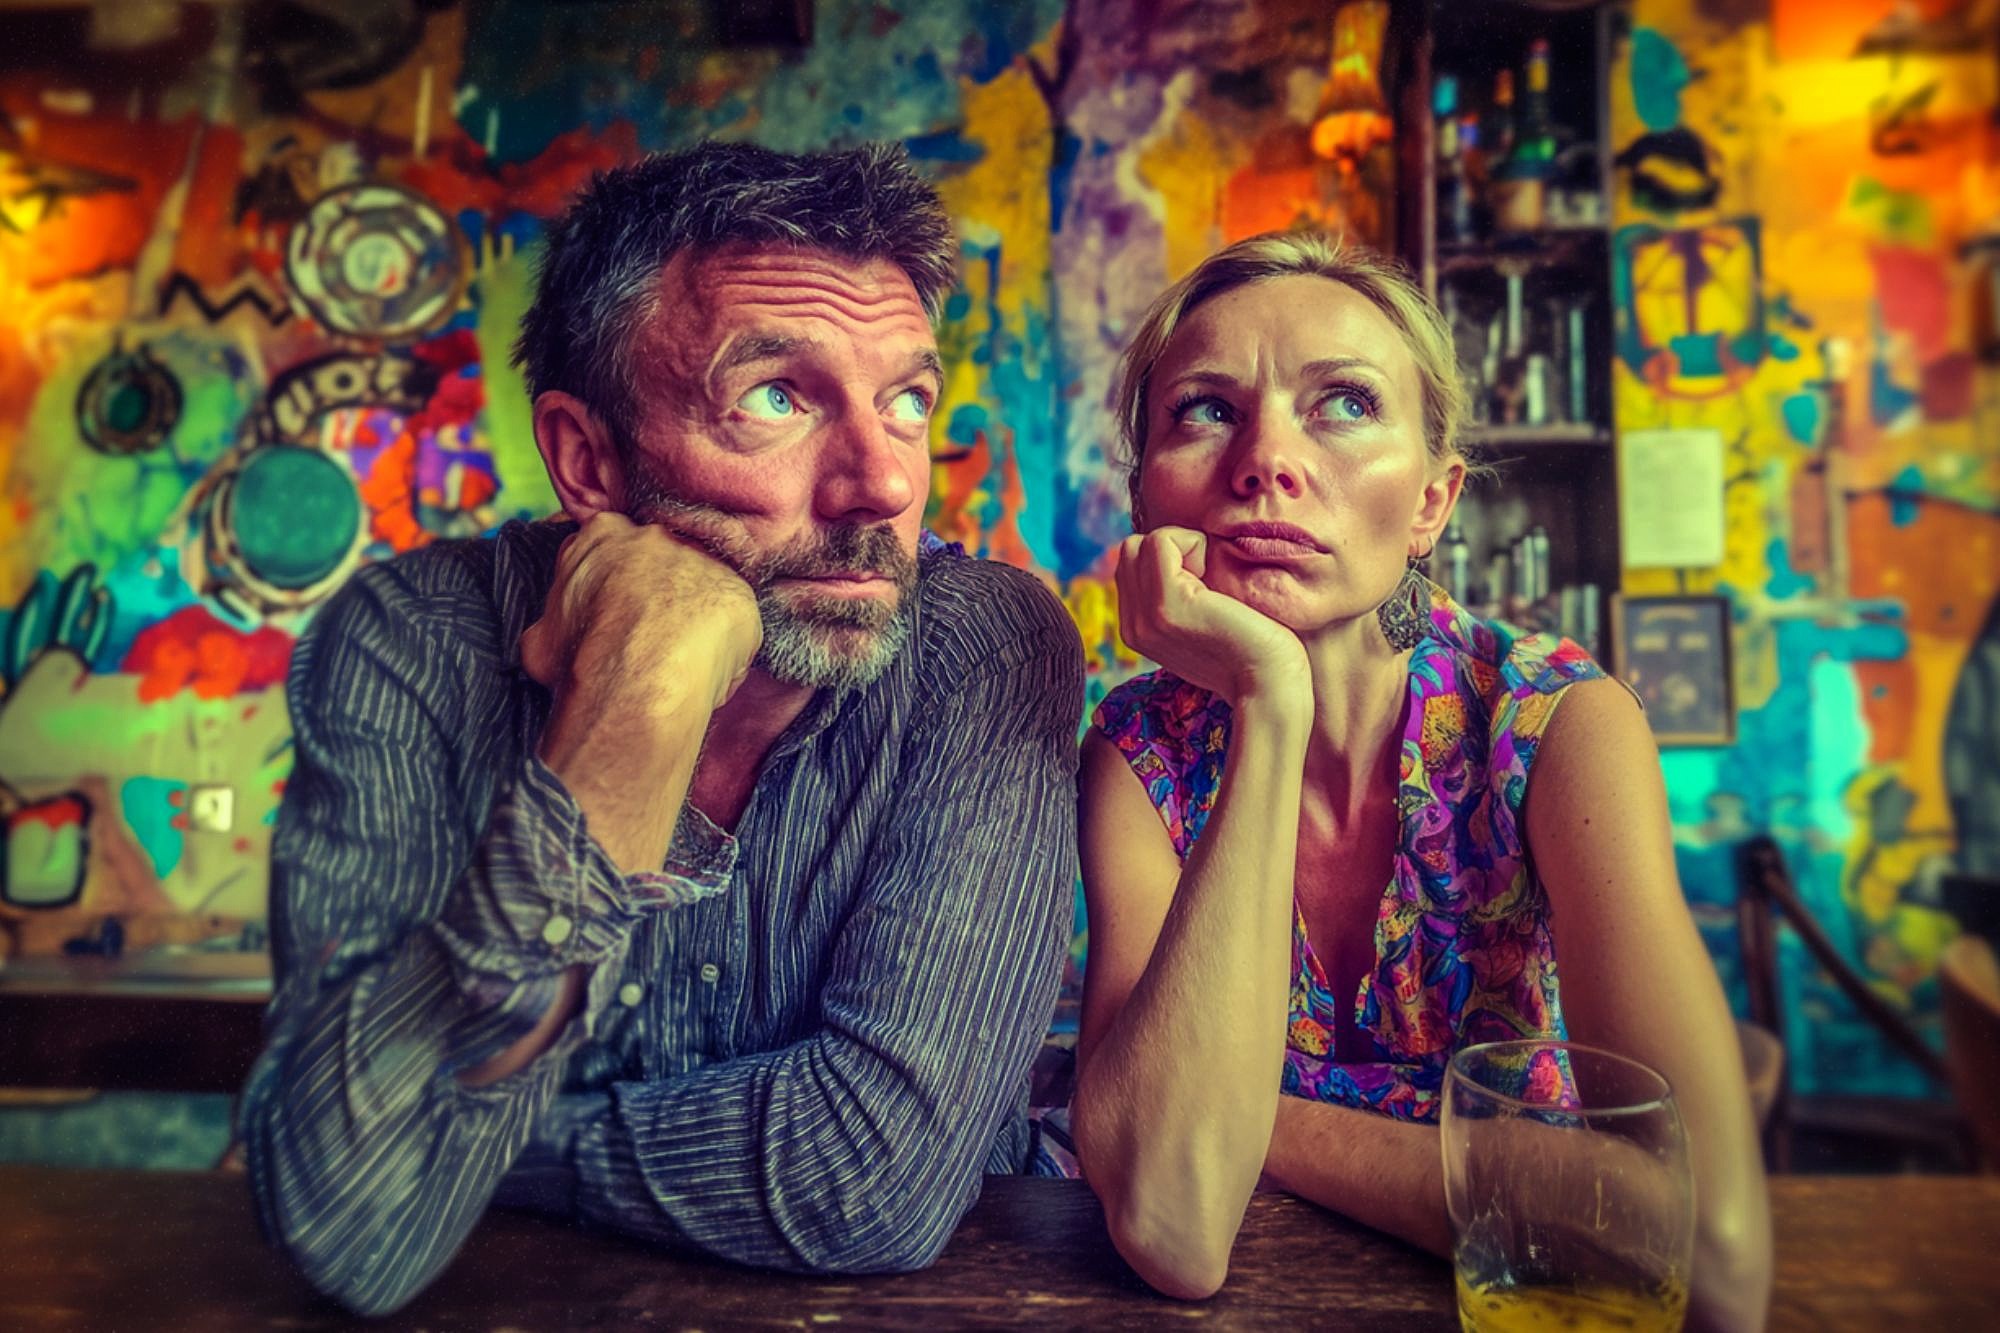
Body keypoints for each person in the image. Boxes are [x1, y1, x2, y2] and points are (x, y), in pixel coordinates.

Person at [239, 141, 1083, 1316]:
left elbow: (875, 1183)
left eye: (906, 399)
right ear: (588, 459)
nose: (883, 480)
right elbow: (355, 1232)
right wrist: (632, 713)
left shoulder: (984, 651)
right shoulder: (411, 641)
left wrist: (470, 1145)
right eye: (777, 397)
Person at [1068, 231, 1772, 1330]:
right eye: (1203, 410)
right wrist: (1269, 700)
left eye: (1342, 403)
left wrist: (1247, 1120)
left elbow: (1707, 1255)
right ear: (1148, 498)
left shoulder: (1556, 727)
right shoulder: (1136, 752)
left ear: (1432, 504)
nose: (1265, 460)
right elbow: (1170, 1218)